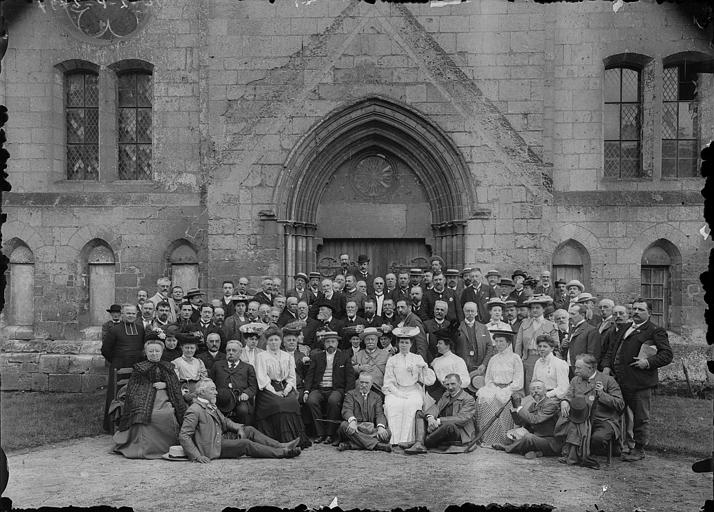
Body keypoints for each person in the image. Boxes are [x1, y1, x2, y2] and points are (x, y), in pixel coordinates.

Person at [601, 299, 673, 462]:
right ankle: (616, 445)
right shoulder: (625, 327)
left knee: (640, 417)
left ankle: (639, 449)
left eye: (640, 309)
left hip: (640, 382)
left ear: (649, 313)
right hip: (618, 381)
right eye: (634, 309)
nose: (636, 312)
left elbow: (667, 355)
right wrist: (606, 367)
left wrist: (647, 362)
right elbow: (611, 350)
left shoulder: (655, 331)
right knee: (615, 413)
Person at [178, 379, 301, 462]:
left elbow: (225, 421)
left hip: (220, 438)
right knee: (245, 444)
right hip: (213, 447)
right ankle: (283, 453)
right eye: (212, 390)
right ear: (202, 392)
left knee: (248, 429)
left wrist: (239, 428)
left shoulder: (210, 404)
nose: (216, 392)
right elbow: (184, 436)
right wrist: (197, 456)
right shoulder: (194, 410)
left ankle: (281, 445)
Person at [112, 337, 187, 459]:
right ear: (146, 353)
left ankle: (170, 445)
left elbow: (175, 384)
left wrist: (166, 385)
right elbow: (134, 387)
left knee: (168, 413)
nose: (154, 353)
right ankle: (145, 447)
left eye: (157, 351)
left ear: (162, 352)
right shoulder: (139, 368)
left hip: (164, 397)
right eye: (151, 351)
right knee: (144, 415)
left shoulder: (168, 366)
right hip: (143, 398)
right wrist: (150, 388)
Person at [556, 354, 625, 469]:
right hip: (581, 419)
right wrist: (564, 402)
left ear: (590, 368)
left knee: (598, 439)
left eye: (579, 368)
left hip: (603, 419)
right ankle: (577, 454)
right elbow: (568, 396)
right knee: (562, 425)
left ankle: (586, 452)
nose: (575, 370)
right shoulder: (575, 380)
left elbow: (620, 404)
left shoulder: (608, 380)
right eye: (575, 367)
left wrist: (602, 394)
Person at [253, 326, 312, 448]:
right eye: (271, 340)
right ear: (267, 342)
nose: (274, 342)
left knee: (292, 403)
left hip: (284, 386)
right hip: (268, 388)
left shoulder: (288, 356)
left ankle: (294, 439)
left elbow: (291, 377)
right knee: (278, 404)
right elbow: (262, 377)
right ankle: (279, 441)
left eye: (276, 340)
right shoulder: (261, 356)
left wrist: (286, 390)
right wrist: (275, 392)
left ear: (281, 341)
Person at [382, 326, 436, 447]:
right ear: (398, 343)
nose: (404, 345)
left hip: (413, 390)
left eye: (406, 342)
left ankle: (409, 440)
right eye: (401, 342)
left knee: (412, 405)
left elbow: (429, 381)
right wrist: (397, 393)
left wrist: (424, 368)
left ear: (411, 344)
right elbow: (389, 380)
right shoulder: (392, 359)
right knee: (393, 405)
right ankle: (394, 440)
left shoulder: (417, 358)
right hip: (397, 390)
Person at [101, 304, 148, 432]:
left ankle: (132, 425)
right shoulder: (115, 330)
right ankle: (111, 426)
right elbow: (105, 350)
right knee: (115, 395)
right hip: (118, 366)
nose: (131, 316)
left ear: (136, 315)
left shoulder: (140, 329)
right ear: (122, 314)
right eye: (128, 313)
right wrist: (116, 360)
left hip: (136, 367)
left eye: (133, 313)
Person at [304, 330, 355, 445]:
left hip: (336, 389)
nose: (330, 344)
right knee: (311, 400)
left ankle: (330, 434)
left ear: (337, 343)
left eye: (333, 341)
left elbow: (350, 376)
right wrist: (307, 391)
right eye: (328, 342)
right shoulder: (317, 357)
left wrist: (348, 393)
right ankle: (320, 433)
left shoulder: (344, 356)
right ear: (324, 343)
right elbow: (310, 375)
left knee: (333, 401)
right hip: (319, 388)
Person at [405, 373, 477, 454]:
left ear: (460, 383)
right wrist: (430, 417)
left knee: (449, 425)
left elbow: (462, 419)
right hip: (442, 428)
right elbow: (436, 407)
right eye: (447, 384)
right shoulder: (446, 394)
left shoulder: (468, 399)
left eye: (453, 384)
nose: (450, 387)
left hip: (459, 433)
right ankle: (419, 443)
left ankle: (420, 442)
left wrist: (438, 421)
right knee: (420, 413)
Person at [476, 329, 524, 446]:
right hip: (493, 389)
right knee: (484, 403)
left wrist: (505, 390)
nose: (498, 344)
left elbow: (519, 381)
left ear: (508, 343)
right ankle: (488, 439)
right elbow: (488, 379)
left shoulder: (515, 358)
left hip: (510, 390)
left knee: (501, 404)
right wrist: (494, 389)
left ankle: (503, 440)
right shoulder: (493, 359)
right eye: (496, 341)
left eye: (501, 341)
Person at [493, 379, 562, 458]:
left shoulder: (550, 404)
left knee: (528, 437)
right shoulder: (533, 405)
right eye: (533, 389)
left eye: (538, 388)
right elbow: (519, 422)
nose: (535, 391)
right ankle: (537, 452)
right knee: (512, 435)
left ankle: (508, 448)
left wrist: (519, 406)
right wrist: (514, 407)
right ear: (530, 393)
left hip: (551, 442)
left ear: (545, 391)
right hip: (538, 439)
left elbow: (534, 420)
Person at [336, 373, 392, 452]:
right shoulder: (350, 394)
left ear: (372, 383)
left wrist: (380, 427)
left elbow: (380, 414)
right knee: (344, 426)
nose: (364, 385)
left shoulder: (377, 397)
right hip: (356, 428)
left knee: (387, 433)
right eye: (361, 382)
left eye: (367, 383)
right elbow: (347, 410)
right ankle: (377, 445)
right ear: (358, 382)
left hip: (370, 429)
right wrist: (352, 421)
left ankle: (351, 445)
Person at [210, 340, 257, 425]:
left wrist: (246, 394)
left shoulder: (248, 368)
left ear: (240, 352)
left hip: (240, 399)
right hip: (221, 399)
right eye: (228, 350)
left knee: (243, 410)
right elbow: (210, 382)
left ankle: (242, 432)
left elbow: (253, 387)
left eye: (234, 350)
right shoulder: (217, 365)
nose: (230, 353)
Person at [515, 295, 558, 386]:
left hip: (545, 359)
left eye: (537, 308)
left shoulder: (551, 325)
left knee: (542, 384)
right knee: (529, 384)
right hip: (528, 359)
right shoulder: (524, 324)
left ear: (543, 309)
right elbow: (518, 344)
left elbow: (555, 344)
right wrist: (518, 360)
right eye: (532, 308)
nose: (534, 310)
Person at [457, 302, 494, 393]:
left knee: (480, 392)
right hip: (463, 367)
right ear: (464, 312)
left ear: (476, 312)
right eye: (467, 311)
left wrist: (484, 364)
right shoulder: (457, 327)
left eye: (472, 311)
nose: (470, 313)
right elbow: (453, 348)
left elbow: (489, 347)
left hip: (479, 367)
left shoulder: (483, 327)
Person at [427, 329, 470, 403]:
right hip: (437, 394)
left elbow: (466, 381)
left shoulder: (457, 360)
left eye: (440, 343)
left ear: (447, 345)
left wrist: (452, 388)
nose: (437, 345)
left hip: (454, 395)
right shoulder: (436, 361)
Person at [531, 334, 570, 399]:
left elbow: (563, 388)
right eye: (540, 346)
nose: (542, 349)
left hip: (553, 398)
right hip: (538, 396)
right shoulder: (538, 362)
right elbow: (534, 381)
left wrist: (546, 395)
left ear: (552, 348)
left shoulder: (559, 363)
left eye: (545, 347)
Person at [563, 304, 601, 369]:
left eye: (573, 314)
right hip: (568, 366)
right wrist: (564, 346)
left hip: (581, 369)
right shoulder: (571, 328)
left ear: (582, 315)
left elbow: (592, 355)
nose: (569, 317)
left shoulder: (591, 330)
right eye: (569, 314)